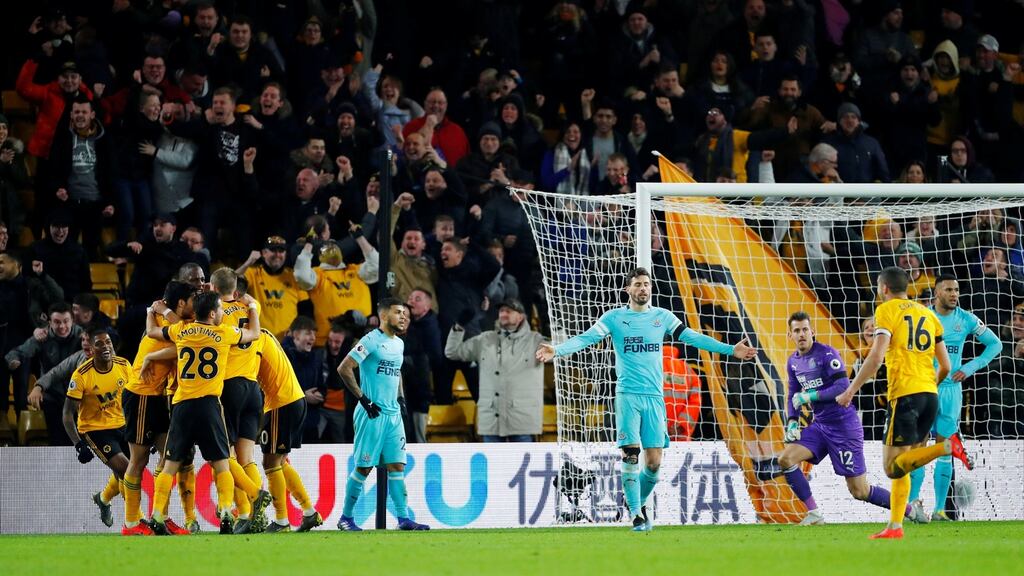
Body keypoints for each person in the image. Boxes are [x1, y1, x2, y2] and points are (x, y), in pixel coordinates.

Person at [536, 267, 757, 531]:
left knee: (653, 463)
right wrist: (557, 350)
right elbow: (587, 338)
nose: (643, 288)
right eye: (638, 284)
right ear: (628, 289)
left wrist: (730, 349)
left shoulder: (662, 317)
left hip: (654, 397)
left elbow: (693, 337)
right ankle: (635, 515)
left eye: (646, 284)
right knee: (630, 454)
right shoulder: (614, 318)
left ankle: (636, 503)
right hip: (628, 396)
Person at [837, 267, 972, 539]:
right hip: (930, 394)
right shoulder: (927, 314)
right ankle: (895, 526)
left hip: (905, 395)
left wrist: (850, 390)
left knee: (892, 467)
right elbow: (946, 365)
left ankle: (947, 446)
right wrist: (930, 387)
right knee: (907, 464)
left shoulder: (886, 310)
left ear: (884, 288)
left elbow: (876, 358)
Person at [144, 290, 268, 535]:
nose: (222, 312)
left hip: (182, 406)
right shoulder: (224, 333)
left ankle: (157, 514)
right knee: (222, 464)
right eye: (220, 309)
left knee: (170, 465)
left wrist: (151, 312)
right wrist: (253, 307)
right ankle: (226, 512)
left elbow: (152, 332)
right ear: (212, 313)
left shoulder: (181, 330)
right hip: (210, 406)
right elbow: (254, 333)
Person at [779, 311, 912, 525]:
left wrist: (811, 395)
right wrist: (792, 422)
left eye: (805, 329)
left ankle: (909, 509)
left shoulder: (826, 354)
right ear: (790, 335)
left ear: (813, 331)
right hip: (821, 425)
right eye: (796, 331)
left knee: (860, 491)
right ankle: (814, 514)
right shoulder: (793, 362)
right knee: (785, 459)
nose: (801, 334)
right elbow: (792, 394)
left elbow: (842, 387)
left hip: (844, 426)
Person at [907, 274, 1000, 523]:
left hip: (951, 392)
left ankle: (940, 510)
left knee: (945, 449)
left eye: (956, 290)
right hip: (925, 388)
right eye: (948, 290)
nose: (954, 294)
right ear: (937, 292)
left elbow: (995, 345)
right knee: (918, 448)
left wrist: (969, 368)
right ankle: (912, 506)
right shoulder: (922, 316)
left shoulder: (966, 319)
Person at [336, 298, 430, 531]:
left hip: (393, 414)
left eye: (405, 313)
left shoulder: (399, 344)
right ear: (384, 315)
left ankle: (403, 519)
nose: (404, 316)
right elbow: (344, 368)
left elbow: (396, 372)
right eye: (398, 312)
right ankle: (346, 518)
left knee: (397, 466)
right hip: (372, 414)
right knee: (364, 467)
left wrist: (401, 398)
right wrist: (363, 399)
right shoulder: (370, 340)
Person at [209, 268, 268, 533]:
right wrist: (249, 302)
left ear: (212, 288)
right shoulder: (252, 308)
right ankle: (257, 516)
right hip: (253, 388)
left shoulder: (215, 314)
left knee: (223, 455)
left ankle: (246, 508)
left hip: (228, 387)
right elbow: (252, 312)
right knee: (247, 457)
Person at [446, 299, 547, 442]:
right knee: (493, 457)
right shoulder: (485, 339)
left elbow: (562, 352)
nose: (503, 314)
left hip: (522, 422)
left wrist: (557, 327)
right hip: (491, 421)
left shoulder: (535, 341)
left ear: (521, 317)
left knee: (521, 456)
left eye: (509, 311)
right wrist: (458, 327)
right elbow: (452, 352)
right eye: (501, 311)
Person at [62, 328, 132, 532]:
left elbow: (134, 398)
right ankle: (135, 520)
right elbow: (67, 414)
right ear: (91, 350)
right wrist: (78, 444)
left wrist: (143, 429)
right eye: (99, 344)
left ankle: (103, 499)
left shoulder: (124, 365)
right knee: (127, 471)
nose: (105, 346)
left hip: (122, 425)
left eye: (108, 342)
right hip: (95, 430)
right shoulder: (81, 375)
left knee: (127, 472)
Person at [254, 328, 323, 532]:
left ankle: (281, 521)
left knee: (270, 462)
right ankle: (309, 512)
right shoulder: (264, 333)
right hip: (294, 399)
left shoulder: (250, 339)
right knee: (280, 461)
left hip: (280, 402)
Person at [236, 236, 308, 338]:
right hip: (259, 339)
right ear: (264, 253)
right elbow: (228, 284)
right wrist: (248, 263)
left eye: (281, 251)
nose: (277, 254)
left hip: (287, 340)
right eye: (273, 250)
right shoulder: (253, 273)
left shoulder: (293, 276)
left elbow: (305, 309)